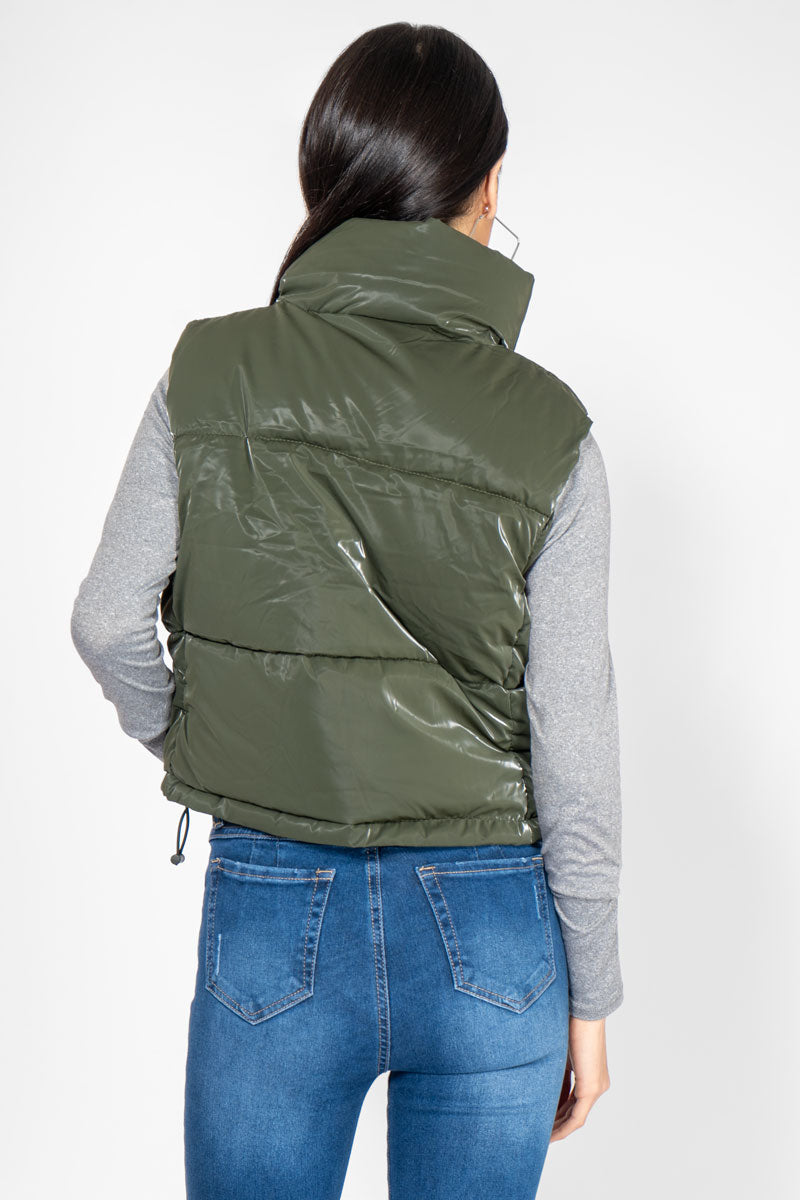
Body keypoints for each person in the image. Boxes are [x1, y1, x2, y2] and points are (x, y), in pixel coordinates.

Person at [71, 21, 623, 1200]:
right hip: (493, 928)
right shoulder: (552, 432)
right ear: (486, 186)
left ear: (322, 175)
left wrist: (206, 741)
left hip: (273, 905)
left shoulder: (206, 376)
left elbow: (107, 622)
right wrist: (591, 995)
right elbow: (572, 740)